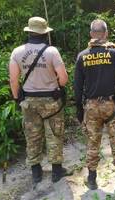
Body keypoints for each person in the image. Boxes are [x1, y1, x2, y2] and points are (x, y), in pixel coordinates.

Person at [74, 19, 115, 190]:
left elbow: (77, 87)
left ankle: (92, 180)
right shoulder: (114, 52)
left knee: (93, 142)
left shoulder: (83, 56)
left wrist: (79, 109)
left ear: (91, 34)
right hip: (110, 104)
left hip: (91, 107)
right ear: (106, 33)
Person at [9, 17, 69, 184]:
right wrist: (58, 87)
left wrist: (16, 97)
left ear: (29, 32)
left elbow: (13, 80)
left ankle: (36, 172)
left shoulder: (17, 52)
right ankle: (57, 171)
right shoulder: (52, 52)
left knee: (32, 136)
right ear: (44, 34)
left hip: (28, 101)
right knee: (54, 134)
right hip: (51, 101)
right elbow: (63, 79)